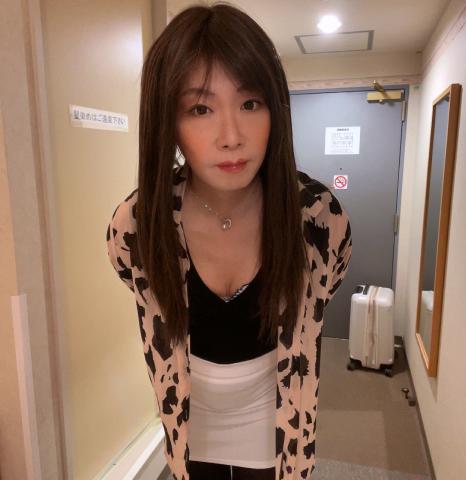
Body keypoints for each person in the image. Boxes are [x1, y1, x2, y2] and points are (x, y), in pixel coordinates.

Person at [106, 2, 352, 479]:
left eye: (250, 103)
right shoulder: (136, 226)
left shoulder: (318, 218)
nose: (232, 136)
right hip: (190, 429)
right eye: (200, 109)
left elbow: (321, 296)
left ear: (275, 110)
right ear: (167, 120)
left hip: (280, 431)